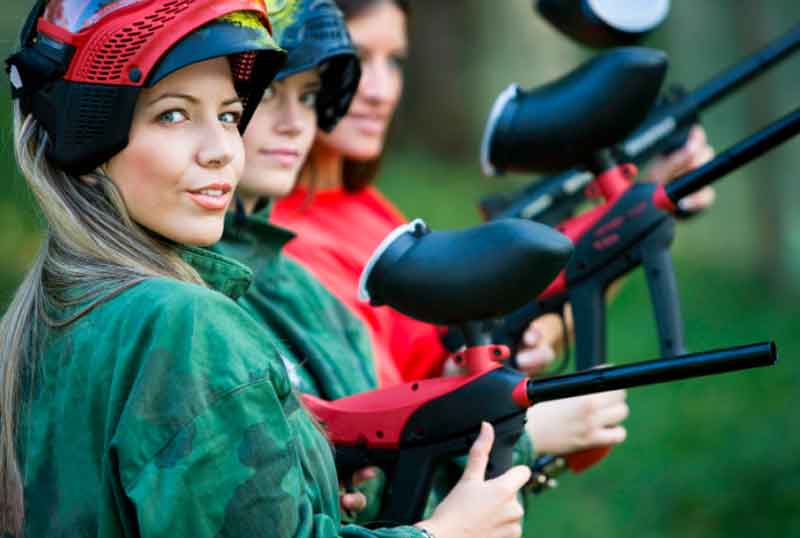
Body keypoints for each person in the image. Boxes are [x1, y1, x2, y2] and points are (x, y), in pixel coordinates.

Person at [0, 2, 531, 537]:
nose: (221, 152)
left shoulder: (53, 309)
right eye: (174, 114)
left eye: (229, 116)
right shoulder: (185, 324)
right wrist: (447, 533)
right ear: (88, 145)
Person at [272, 0, 715, 460]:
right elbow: (371, 448)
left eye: (395, 61)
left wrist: (639, 214)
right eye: (358, 60)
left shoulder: (364, 209)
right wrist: (524, 434)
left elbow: (443, 356)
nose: (381, 91)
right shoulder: (283, 246)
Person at [213, 0, 536, 521]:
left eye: (311, 95)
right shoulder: (206, 294)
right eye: (269, 93)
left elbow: (371, 424)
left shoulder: (301, 262)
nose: (381, 90)